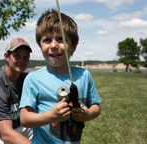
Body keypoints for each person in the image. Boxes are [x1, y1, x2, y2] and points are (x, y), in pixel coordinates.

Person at [19, 9, 102, 144]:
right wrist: (51, 116)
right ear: (40, 45)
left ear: (74, 46)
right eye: (47, 40)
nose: (53, 45)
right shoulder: (33, 79)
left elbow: (96, 107)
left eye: (61, 39)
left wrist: (87, 114)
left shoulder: (84, 75)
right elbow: (25, 119)